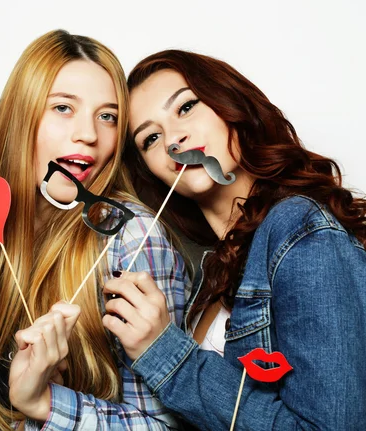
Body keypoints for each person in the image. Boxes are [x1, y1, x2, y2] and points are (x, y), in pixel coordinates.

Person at [102, 49, 366, 430]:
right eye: (151, 138)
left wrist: (163, 352)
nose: (174, 140)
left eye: (186, 107)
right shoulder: (211, 270)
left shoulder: (299, 229)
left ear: (230, 104)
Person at [0, 30, 191, 430]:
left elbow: (167, 424)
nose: (89, 134)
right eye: (63, 108)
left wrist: (48, 404)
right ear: (22, 117)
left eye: (108, 116)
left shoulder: (131, 238)